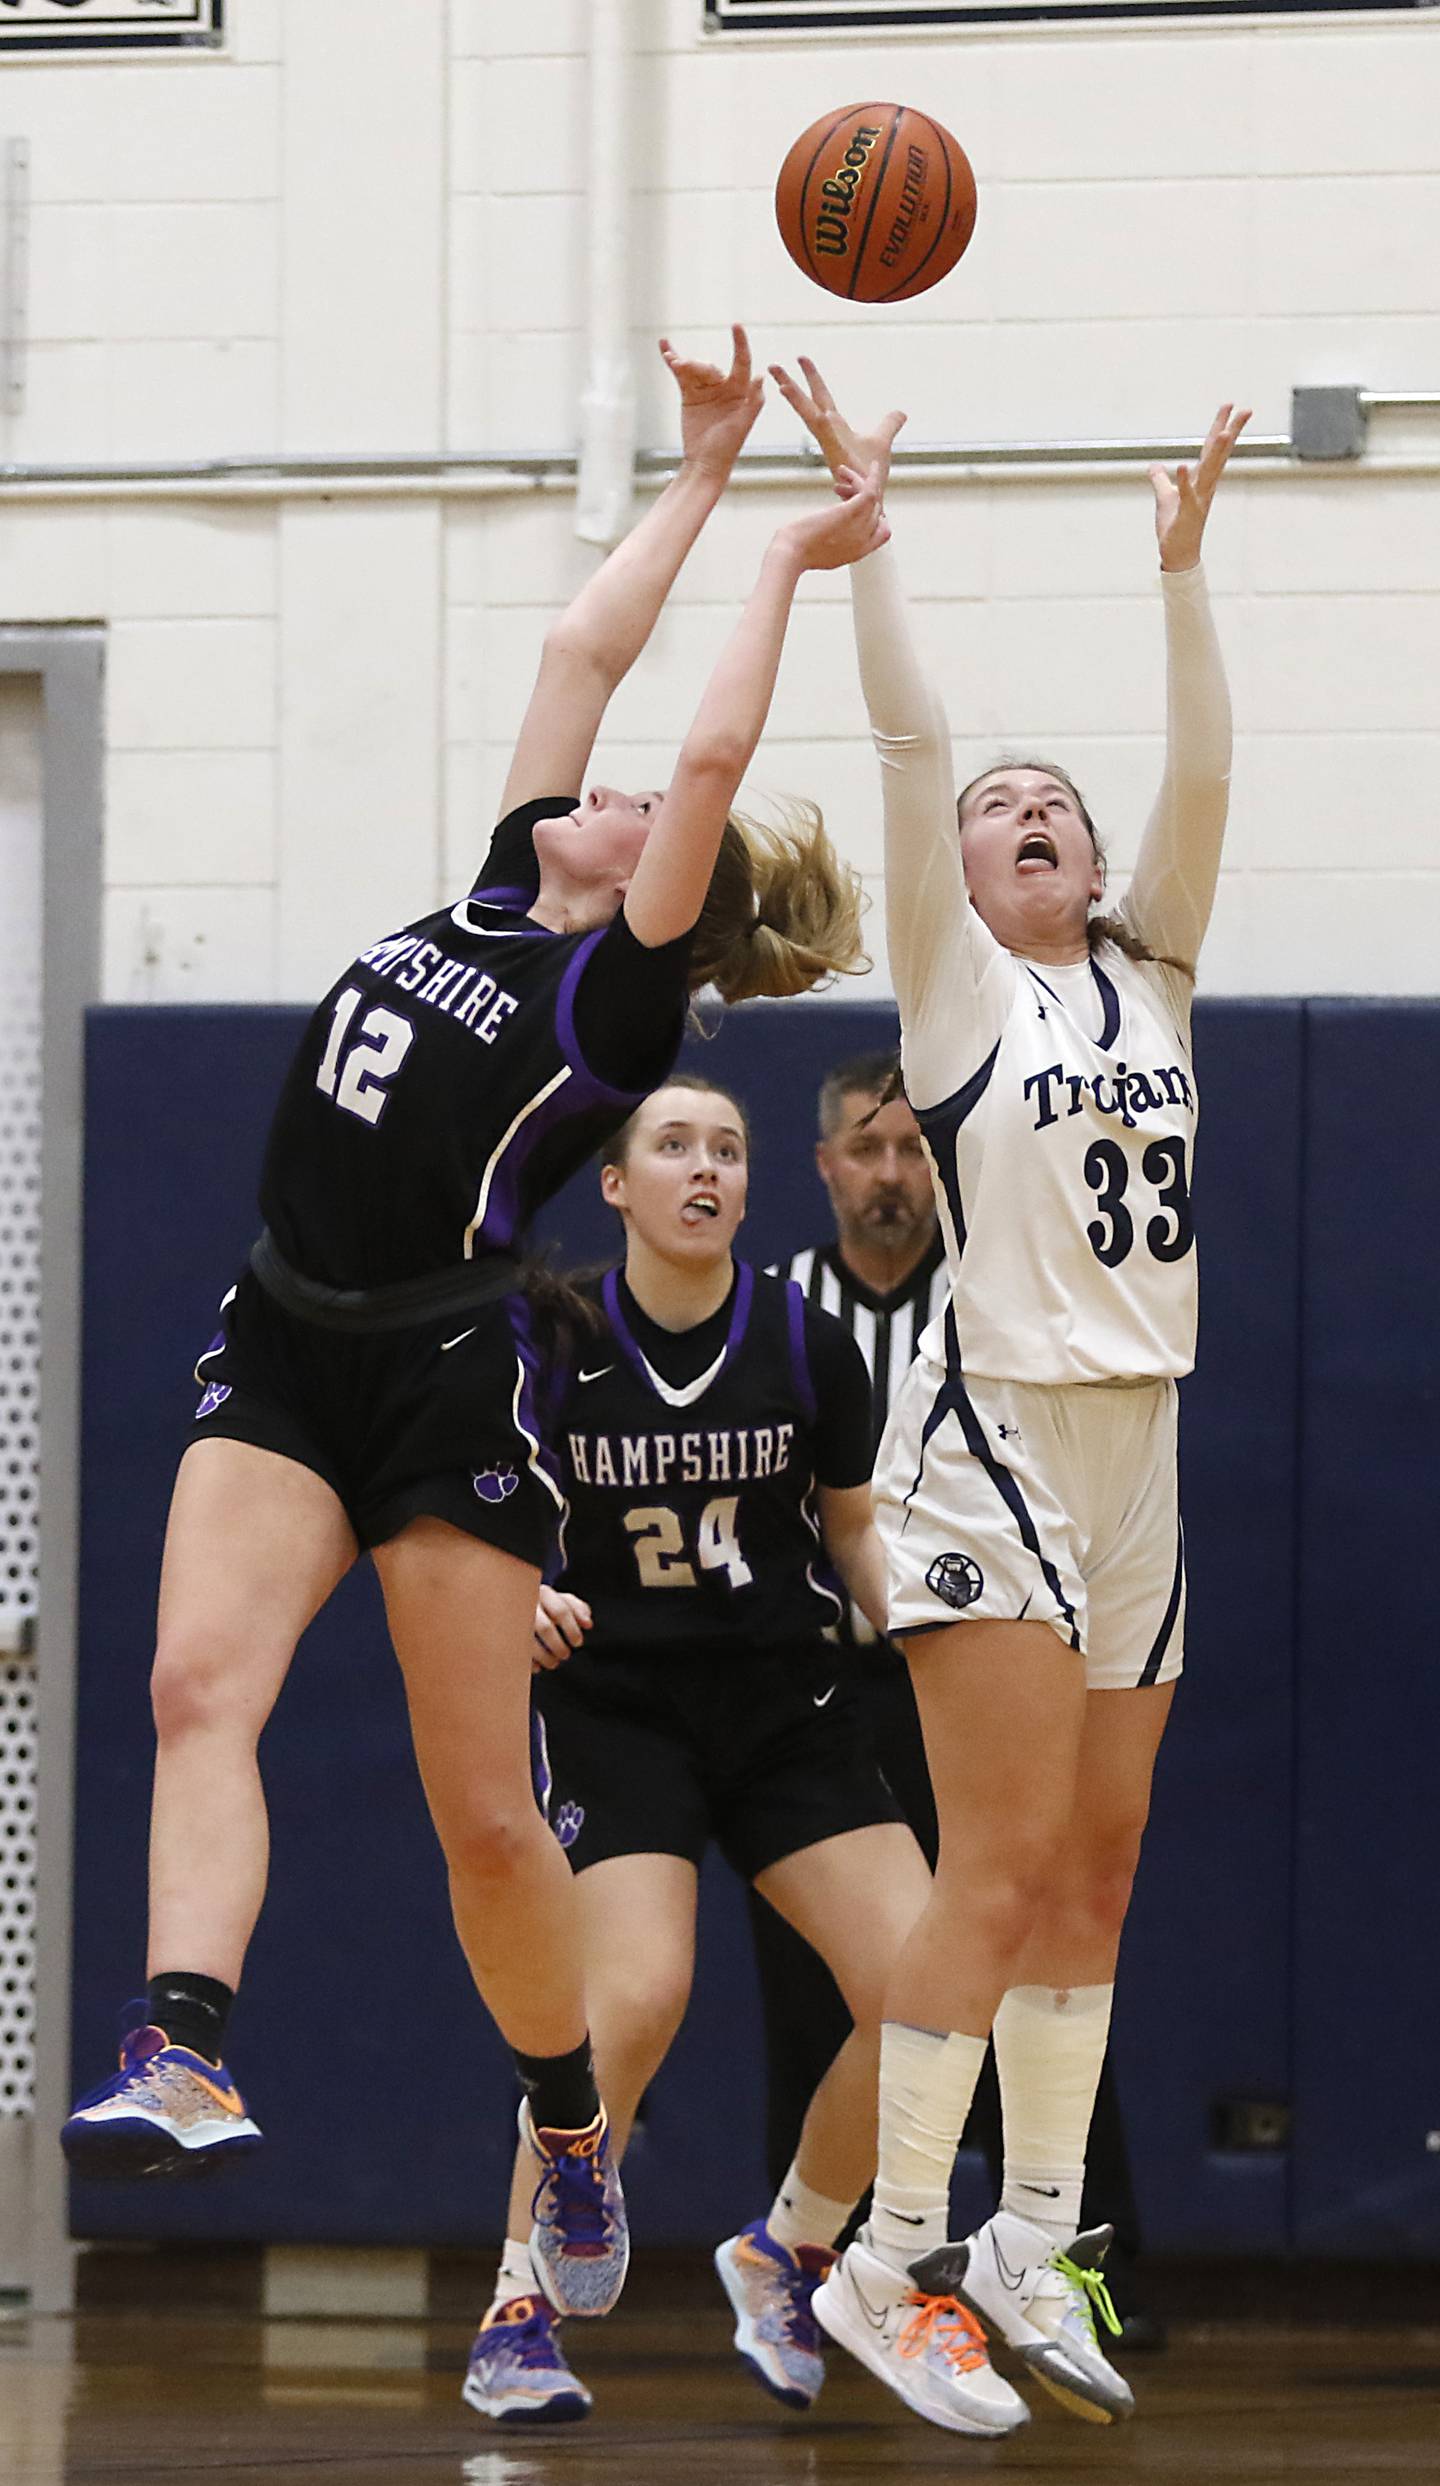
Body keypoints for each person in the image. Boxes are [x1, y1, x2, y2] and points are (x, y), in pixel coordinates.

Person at [61, 330, 887, 2363]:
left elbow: (687, 759)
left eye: (634, 816)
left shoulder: (612, 1006)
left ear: (670, 912)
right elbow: (582, 653)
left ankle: (567, 2123)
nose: (598, 784)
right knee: (192, 1687)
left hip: (443, 1379)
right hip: (286, 1329)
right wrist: (693, 473)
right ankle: (185, 2043)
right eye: (582, 787)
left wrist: (792, 556)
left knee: (486, 1822)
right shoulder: (495, 887)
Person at [773, 353, 1248, 2434]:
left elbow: (1208, 782)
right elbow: (911, 735)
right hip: (993, 1441)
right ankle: (886, 2262)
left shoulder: (1154, 971)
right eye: (997, 812)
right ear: (961, 886)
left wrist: (1182, 579)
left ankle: (1033, 2235)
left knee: (1102, 1864)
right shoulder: (961, 1000)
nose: (1026, 807)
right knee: (999, 1859)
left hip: (1144, 1436)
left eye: (1052, 802)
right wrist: (869, 546)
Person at [465, 1078, 1007, 2429]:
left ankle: (791, 2247)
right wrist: (508, 1592)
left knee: (928, 1997)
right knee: (635, 1997)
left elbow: (853, 1528)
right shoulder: (552, 1330)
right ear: (618, 1183)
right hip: (618, 1705)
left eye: (728, 1149)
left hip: (786, 1703)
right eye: (673, 1146)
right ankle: (516, 2303)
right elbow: (464, 1517)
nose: (704, 1168)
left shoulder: (807, 1339)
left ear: (752, 1188)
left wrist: (939, 1629)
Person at [752, 1053, 1161, 2341]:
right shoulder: (784, 1315)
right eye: (864, 1152)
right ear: (824, 1167)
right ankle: (819, 2281)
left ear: (946, 1165)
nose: (889, 1176)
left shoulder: (1002, 1306)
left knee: (1038, 1930)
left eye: (910, 1152)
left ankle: (1083, 2267)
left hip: (990, 1676)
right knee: (829, 2001)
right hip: (832, 1695)